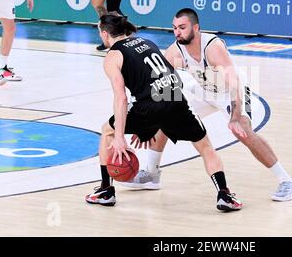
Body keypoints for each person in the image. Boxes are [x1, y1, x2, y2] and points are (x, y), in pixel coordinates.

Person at [123, 8, 292, 202]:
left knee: (245, 132)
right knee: (166, 115)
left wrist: (235, 116)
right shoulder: (174, 51)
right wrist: (149, 123)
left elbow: (234, 84)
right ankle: (151, 173)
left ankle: (287, 181)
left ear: (196, 28)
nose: (177, 32)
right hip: (204, 91)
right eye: (174, 28)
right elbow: (160, 86)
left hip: (232, 92)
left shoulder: (212, 47)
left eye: (182, 27)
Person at [85, 12, 243, 212]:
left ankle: (105, 190)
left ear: (106, 33)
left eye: (100, 32)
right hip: (175, 99)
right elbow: (171, 76)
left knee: (107, 130)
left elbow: (121, 98)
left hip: (150, 105)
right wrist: (151, 124)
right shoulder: (146, 42)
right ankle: (224, 194)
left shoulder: (112, 56)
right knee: (205, 147)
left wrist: (119, 137)